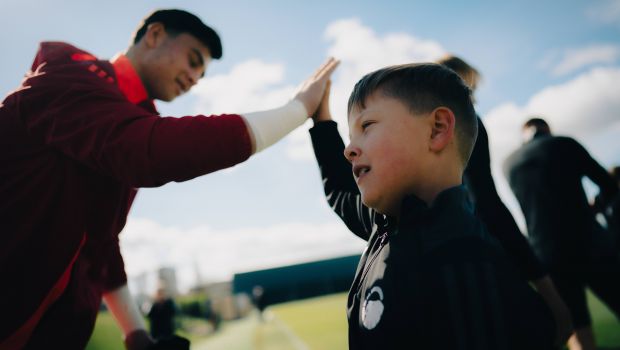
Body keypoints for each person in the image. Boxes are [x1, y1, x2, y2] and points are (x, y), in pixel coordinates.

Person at [0, 8, 338, 350]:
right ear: (155, 35)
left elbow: (102, 242)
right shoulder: (69, 77)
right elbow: (153, 151)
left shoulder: (128, 117)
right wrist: (297, 110)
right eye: (193, 60)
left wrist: (136, 335)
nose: (194, 78)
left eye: (202, 74)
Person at [309, 63, 556, 349]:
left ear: (437, 129)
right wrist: (320, 119)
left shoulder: (470, 271)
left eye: (366, 126)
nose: (348, 149)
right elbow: (341, 193)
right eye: (351, 136)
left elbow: (490, 204)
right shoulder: (385, 225)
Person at [437, 55, 572, 346]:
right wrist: (547, 288)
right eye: (471, 88)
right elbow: (485, 200)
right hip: (478, 254)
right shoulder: (466, 122)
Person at [504, 118, 620, 350]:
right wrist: (593, 207)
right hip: (589, 243)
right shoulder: (563, 144)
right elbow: (608, 185)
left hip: (547, 255)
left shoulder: (509, 163)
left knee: (578, 328)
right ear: (547, 130)